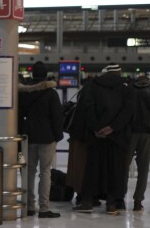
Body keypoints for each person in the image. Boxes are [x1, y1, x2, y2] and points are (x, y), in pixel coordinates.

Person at [72, 64, 135, 214]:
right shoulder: (126, 89)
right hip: (117, 137)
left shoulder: (92, 86)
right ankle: (112, 204)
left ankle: (87, 201)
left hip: (96, 136)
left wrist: (96, 128)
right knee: (115, 170)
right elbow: (128, 111)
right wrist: (113, 127)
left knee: (93, 169)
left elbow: (88, 108)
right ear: (118, 72)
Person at [18, 61, 64, 218]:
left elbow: (19, 114)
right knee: (45, 172)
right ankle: (44, 208)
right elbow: (57, 117)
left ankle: (29, 206)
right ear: (45, 76)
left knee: (29, 172)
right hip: (47, 138)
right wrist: (58, 136)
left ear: (32, 74)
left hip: (29, 138)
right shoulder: (51, 93)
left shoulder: (24, 92)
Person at [123, 75, 150, 211]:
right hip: (148, 134)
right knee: (143, 168)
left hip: (130, 134)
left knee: (123, 167)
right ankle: (138, 200)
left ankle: (119, 198)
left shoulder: (129, 91)